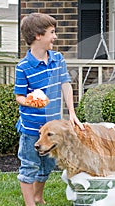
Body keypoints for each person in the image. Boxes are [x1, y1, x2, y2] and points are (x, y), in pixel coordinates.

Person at [13, 13, 84, 206]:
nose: (55, 37)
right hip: (31, 130)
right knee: (29, 166)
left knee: (46, 166)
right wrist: (31, 101)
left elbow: (66, 84)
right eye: (52, 32)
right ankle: (30, 204)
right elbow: (19, 96)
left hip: (52, 129)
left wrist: (72, 112)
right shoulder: (23, 67)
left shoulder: (57, 59)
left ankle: (38, 197)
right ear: (38, 36)